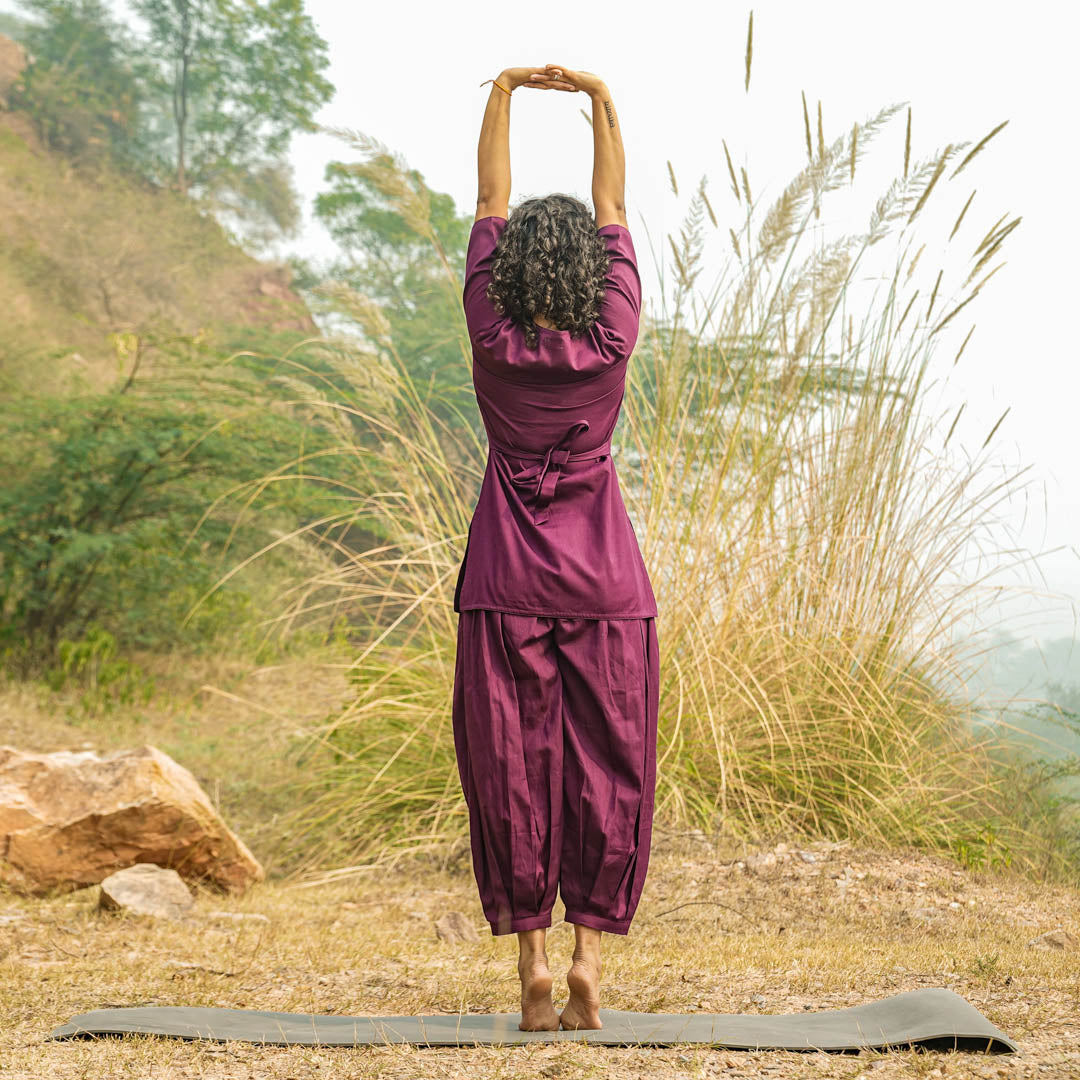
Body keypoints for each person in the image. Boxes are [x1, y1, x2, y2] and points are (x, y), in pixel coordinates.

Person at [453, 63, 660, 1032]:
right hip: (607, 587)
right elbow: (612, 202)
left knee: (512, 765)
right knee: (606, 768)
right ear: (587, 270)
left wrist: (501, 93)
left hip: (504, 581)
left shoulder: (492, 336)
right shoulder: (612, 333)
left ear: (506, 273)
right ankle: (587, 961)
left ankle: (532, 964)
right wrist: (599, 103)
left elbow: (490, 196)